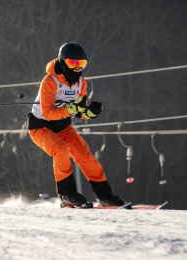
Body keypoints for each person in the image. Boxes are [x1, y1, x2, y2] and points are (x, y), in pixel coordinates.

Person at [27, 42, 127, 208]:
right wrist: (70, 109)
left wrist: (90, 113)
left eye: (82, 63)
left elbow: (80, 111)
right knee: (61, 149)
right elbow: (47, 113)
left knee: (84, 154)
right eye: (73, 63)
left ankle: (105, 196)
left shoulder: (82, 83)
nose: (78, 68)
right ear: (63, 62)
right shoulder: (49, 81)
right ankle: (67, 194)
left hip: (63, 127)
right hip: (41, 128)